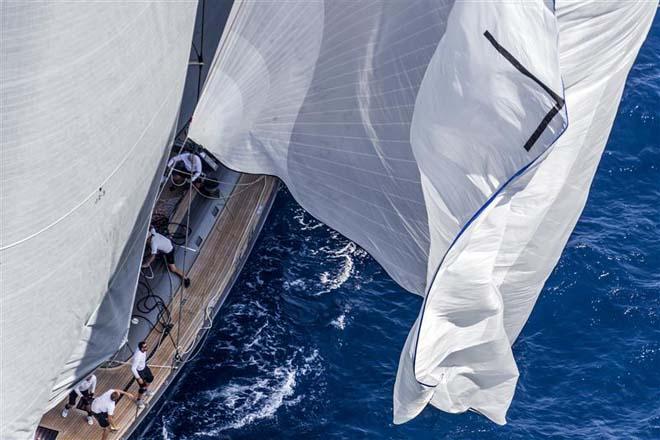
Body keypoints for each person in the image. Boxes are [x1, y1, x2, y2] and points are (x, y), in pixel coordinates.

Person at [131, 341, 154, 409]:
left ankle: (146, 391)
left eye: (146, 346)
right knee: (142, 387)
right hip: (139, 371)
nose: (146, 348)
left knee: (150, 378)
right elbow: (133, 368)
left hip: (144, 367)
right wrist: (138, 378)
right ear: (141, 348)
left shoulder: (143, 351)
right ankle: (139, 400)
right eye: (144, 347)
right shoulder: (138, 356)